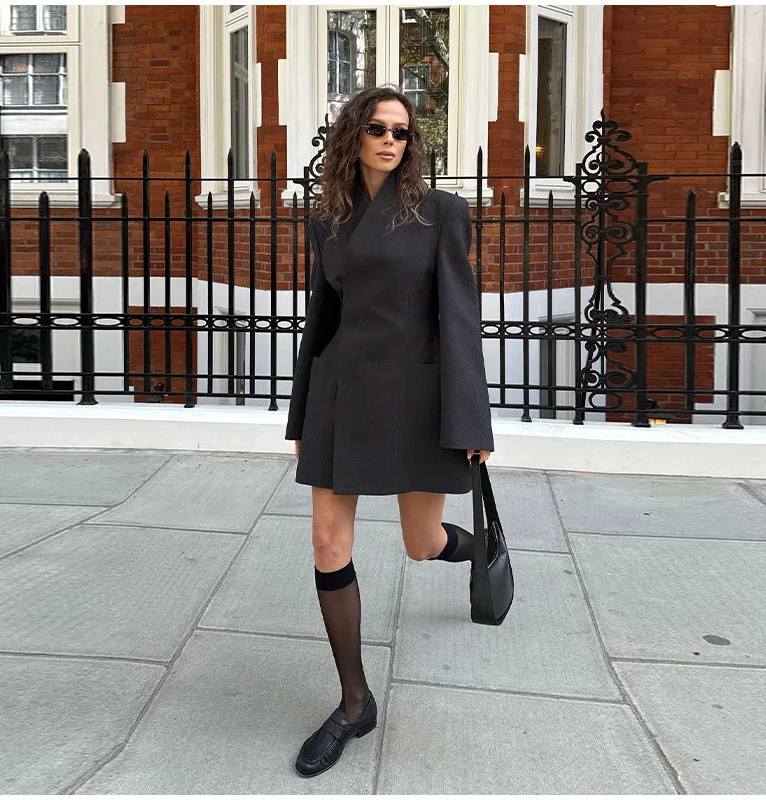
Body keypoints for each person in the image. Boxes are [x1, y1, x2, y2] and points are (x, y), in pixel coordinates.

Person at [284, 86, 494, 778]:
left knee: (420, 543)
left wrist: (471, 418)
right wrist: (300, 415)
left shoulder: (441, 214)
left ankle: (480, 546)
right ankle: (353, 704)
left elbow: (459, 319)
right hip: (341, 395)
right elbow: (323, 323)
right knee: (325, 541)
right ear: (354, 134)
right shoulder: (332, 220)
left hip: (415, 397)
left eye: (402, 132)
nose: (389, 140)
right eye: (376, 128)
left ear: (412, 144)